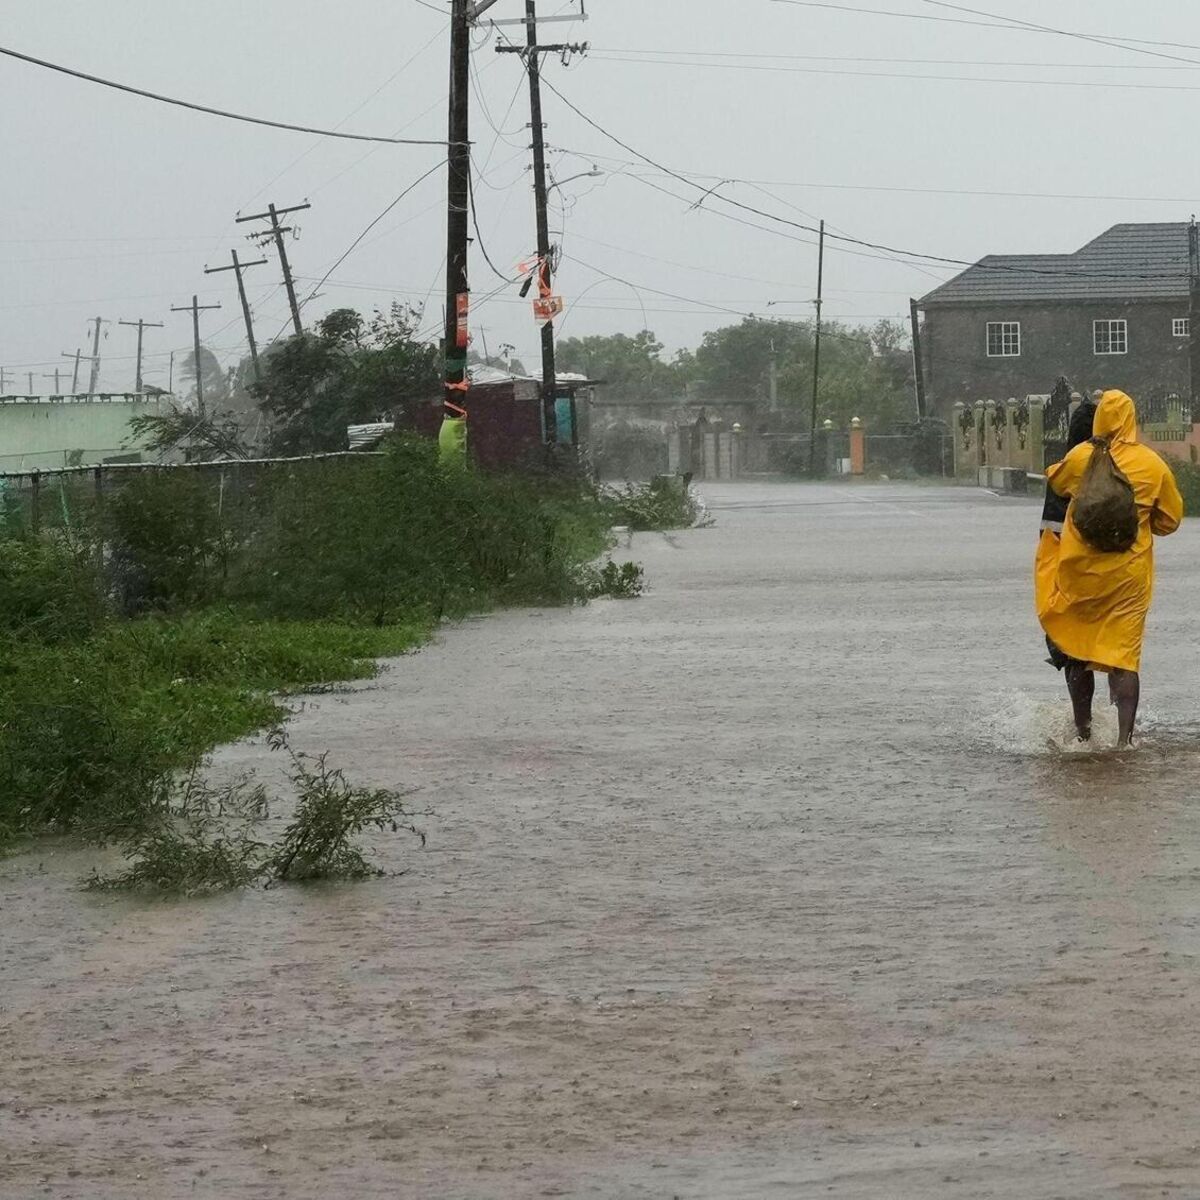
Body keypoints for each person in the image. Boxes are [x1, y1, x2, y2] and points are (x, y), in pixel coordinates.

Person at [1037, 389, 1183, 747]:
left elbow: (1056, 481)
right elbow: (1170, 520)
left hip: (1081, 574)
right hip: (1128, 580)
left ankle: (1082, 734)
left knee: (1077, 650)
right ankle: (1124, 740)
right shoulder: (1152, 464)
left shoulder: (1081, 457)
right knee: (1124, 657)